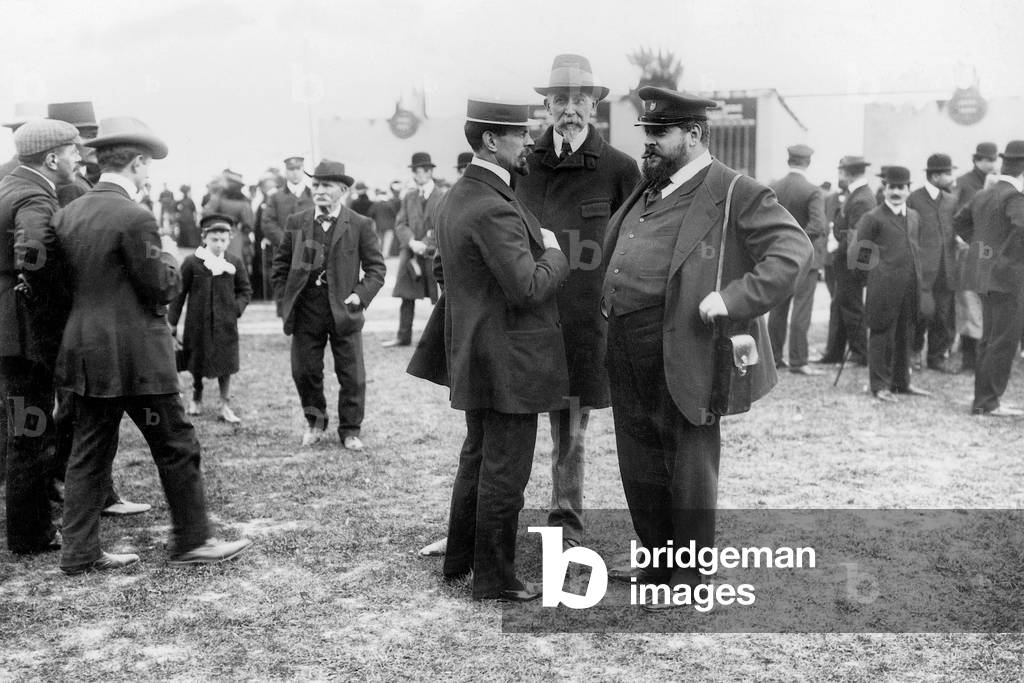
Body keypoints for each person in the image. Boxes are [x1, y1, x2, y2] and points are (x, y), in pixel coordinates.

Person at [601, 87, 811, 608]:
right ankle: (657, 565)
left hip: (688, 346)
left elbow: (794, 251)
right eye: (646, 133)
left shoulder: (735, 190)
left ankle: (690, 579)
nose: (647, 145)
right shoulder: (646, 188)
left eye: (659, 134)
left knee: (689, 464)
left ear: (693, 135)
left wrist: (734, 298)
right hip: (626, 345)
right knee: (639, 461)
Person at [53, 116, 252, 574]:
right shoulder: (135, 217)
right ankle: (193, 541)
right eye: (147, 168)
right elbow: (161, 285)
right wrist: (165, 254)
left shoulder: (68, 213)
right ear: (138, 163)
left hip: (86, 355)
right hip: (139, 359)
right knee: (177, 445)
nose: (149, 175)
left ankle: (78, 551)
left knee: (89, 452)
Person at [435, 98, 569, 602]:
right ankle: (494, 577)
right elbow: (529, 289)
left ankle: (462, 559)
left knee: (478, 458)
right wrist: (554, 253)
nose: (529, 141)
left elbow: (443, 274)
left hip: (477, 353)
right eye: (519, 135)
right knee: (505, 472)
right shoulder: (493, 203)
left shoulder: (460, 195)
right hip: (509, 362)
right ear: (491, 141)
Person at [515, 53, 641, 550]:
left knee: (570, 427)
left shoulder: (618, 169)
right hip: (527, 315)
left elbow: (636, 238)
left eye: (579, 100)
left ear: (594, 106)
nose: (569, 109)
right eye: (560, 100)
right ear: (547, 106)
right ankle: (502, 513)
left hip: (582, 325)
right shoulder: (523, 162)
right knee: (513, 421)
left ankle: (565, 522)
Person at [0, 118, 80, 554]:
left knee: (22, 430)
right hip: (26, 336)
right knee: (31, 432)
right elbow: (31, 255)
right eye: (73, 151)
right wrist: (56, 304)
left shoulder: (8, 185)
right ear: (52, 158)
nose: (79, 158)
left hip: (10, 332)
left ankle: (25, 530)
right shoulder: (34, 194)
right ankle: (31, 535)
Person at [271, 160, 386, 450]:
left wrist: (360, 295)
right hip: (306, 309)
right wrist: (286, 300)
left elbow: (376, 269)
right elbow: (280, 266)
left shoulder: (360, 224)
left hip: (344, 310)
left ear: (343, 190)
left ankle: (350, 430)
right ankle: (315, 422)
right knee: (305, 372)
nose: (319, 191)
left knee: (352, 375)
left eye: (326, 186)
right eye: (316, 185)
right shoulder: (297, 222)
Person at [954, 140, 1024, 417]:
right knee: (1003, 340)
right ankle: (988, 402)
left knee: (989, 339)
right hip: (1008, 280)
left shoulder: (985, 194)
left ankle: (983, 400)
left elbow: (960, 222)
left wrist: (987, 252)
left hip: (983, 276)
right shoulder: (1015, 198)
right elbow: (1021, 229)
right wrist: (1006, 259)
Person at [849, 166, 931, 401]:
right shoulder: (872, 217)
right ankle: (880, 385)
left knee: (906, 334)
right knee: (882, 335)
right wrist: (870, 278)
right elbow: (859, 253)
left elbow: (916, 249)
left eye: (901, 187)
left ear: (908, 189)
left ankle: (901, 382)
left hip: (910, 286)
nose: (896, 192)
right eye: (891, 187)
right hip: (883, 288)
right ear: (884, 189)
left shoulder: (914, 216)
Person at [169, 213, 253, 424]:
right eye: (214, 239)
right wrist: (172, 322)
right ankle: (197, 396)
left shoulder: (233, 262)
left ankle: (225, 403)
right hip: (198, 323)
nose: (218, 244)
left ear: (230, 239)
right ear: (204, 238)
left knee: (226, 361)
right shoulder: (192, 263)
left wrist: (236, 308)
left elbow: (245, 290)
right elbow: (179, 295)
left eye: (223, 240)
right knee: (197, 360)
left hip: (225, 323)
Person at [768, 144, 828, 375]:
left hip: (779, 256)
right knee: (801, 310)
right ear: (808, 163)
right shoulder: (813, 191)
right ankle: (798, 360)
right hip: (806, 259)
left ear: (788, 161)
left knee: (777, 308)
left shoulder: (774, 187)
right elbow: (817, 225)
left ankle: (773, 357)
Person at [815, 156, 874, 365]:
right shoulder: (857, 194)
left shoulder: (861, 198)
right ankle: (834, 352)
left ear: (847, 173)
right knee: (840, 305)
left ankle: (860, 354)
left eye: (841, 171)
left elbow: (857, 234)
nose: (840, 175)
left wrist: (837, 248)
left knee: (851, 307)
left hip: (851, 261)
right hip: (845, 259)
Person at [382, 153, 445, 348]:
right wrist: (411, 242)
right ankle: (403, 336)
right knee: (406, 296)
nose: (419, 175)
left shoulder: (442, 196)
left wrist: (427, 243)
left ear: (430, 171)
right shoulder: (409, 196)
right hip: (410, 254)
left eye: (423, 170)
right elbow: (400, 224)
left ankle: (441, 339)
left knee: (441, 298)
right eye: (416, 171)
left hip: (434, 254)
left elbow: (443, 224)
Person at [906, 154, 960, 373]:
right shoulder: (913, 199)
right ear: (935, 175)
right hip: (922, 269)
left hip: (946, 268)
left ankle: (936, 357)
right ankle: (914, 351)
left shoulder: (951, 201)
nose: (951, 177)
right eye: (947, 173)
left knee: (944, 314)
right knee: (921, 312)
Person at [953, 142, 997, 374]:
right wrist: (972, 240)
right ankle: (969, 358)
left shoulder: (998, 183)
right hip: (972, 253)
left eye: (994, 160)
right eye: (988, 160)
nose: (992, 164)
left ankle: (983, 355)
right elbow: (957, 215)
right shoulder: (965, 183)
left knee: (987, 303)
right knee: (969, 302)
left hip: (994, 256)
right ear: (977, 160)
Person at [47, 101, 99, 208]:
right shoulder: (69, 186)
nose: (94, 143)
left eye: (94, 135)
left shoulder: (78, 177)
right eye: (87, 136)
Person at [206, 170, 255, 277]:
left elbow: (207, 213)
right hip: (235, 235)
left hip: (216, 233)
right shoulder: (244, 202)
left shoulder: (218, 198)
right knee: (234, 263)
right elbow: (249, 224)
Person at [367, 180, 402, 257]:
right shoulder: (389, 203)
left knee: (379, 240)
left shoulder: (376, 204)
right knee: (387, 240)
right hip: (389, 225)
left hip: (378, 225)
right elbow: (394, 213)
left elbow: (370, 213)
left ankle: (379, 253)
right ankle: (385, 254)